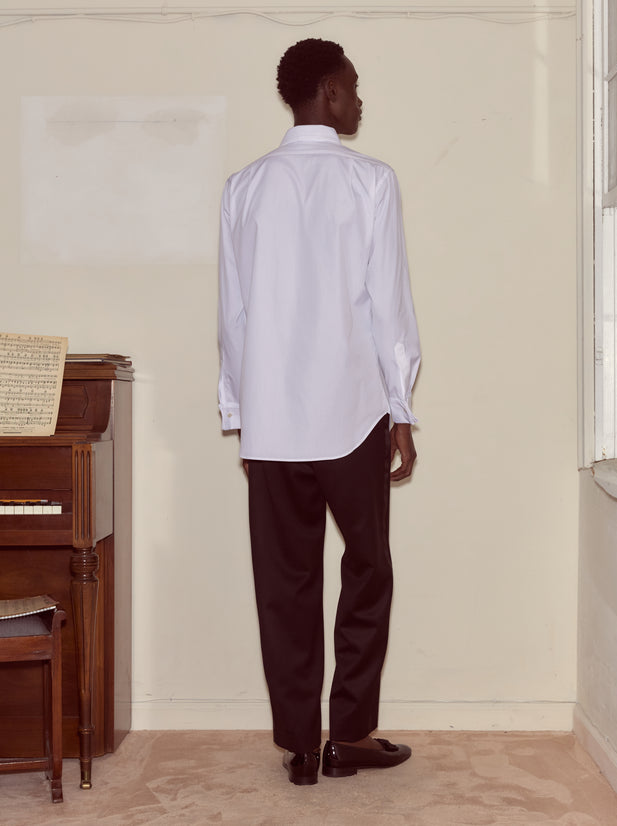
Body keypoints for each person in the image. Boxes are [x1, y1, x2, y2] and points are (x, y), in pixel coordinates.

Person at [218, 37, 421, 786]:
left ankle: (302, 745)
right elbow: (388, 306)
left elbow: (232, 317)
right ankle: (352, 736)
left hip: (272, 424)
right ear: (329, 93)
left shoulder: (242, 187)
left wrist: (241, 411)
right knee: (367, 570)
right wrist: (399, 408)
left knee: (285, 582)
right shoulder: (371, 181)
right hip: (353, 415)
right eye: (355, 87)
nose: (360, 99)